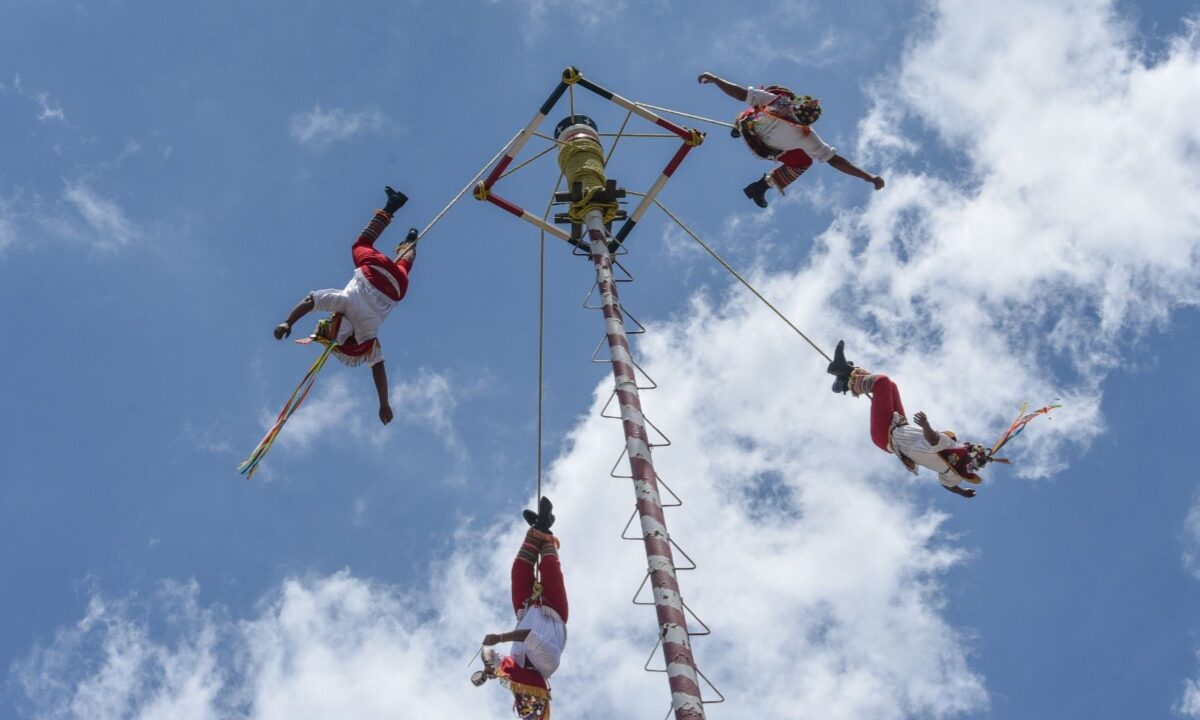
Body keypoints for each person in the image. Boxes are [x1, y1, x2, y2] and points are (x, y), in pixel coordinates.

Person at [273, 186, 417, 425]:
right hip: (374, 272)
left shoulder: (365, 334)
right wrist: (288, 322)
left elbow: (378, 366)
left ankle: (411, 245)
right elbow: (310, 301)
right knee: (361, 244)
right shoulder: (341, 303)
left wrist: (384, 403)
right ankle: (393, 205)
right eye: (328, 324)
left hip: (397, 287)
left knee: (402, 271)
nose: (328, 320)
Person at [697, 72, 885, 208]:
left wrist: (715, 79)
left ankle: (761, 185)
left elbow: (741, 94)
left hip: (754, 135)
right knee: (804, 161)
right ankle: (761, 184)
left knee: (760, 103)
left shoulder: (780, 103)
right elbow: (834, 161)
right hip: (759, 143)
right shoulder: (806, 134)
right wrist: (868, 177)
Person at [826, 340, 988, 498]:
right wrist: (962, 492)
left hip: (886, 435)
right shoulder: (956, 475)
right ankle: (843, 382)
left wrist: (925, 425)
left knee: (881, 383)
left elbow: (933, 440)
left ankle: (842, 372)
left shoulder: (951, 448)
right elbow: (949, 485)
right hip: (899, 425)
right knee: (891, 385)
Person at [473, 497, 567, 720]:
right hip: (553, 607)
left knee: (519, 570)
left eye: (522, 700)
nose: (524, 697)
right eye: (530, 698)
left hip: (525, 608)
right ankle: (544, 530)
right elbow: (527, 636)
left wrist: (488, 665)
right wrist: (501, 637)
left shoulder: (512, 670)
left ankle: (540, 527)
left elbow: (486, 648)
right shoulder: (548, 663)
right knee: (550, 567)